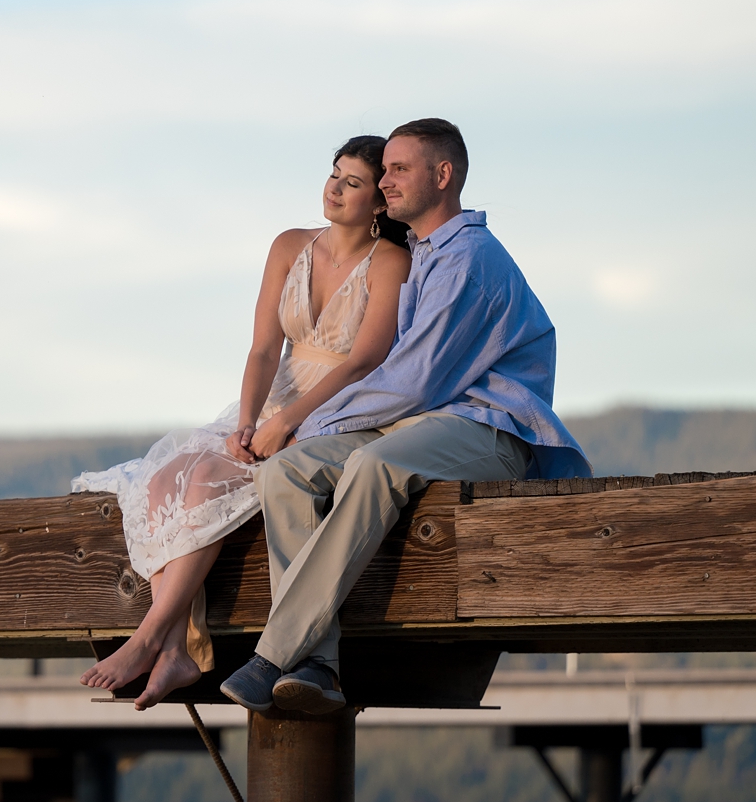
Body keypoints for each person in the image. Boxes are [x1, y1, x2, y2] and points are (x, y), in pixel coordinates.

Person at [218, 118, 592, 716]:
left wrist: (295, 421)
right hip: (423, 424)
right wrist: (290, 438)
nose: (386, 182)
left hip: (488, 427)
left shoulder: (469, 259)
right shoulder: (419, 255)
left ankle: (275, 655)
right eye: (384, 170)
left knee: (372, 464)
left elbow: (413, 380)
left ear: (443, 176)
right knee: (286, 473)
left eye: (399, 169)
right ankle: (320, 666)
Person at [72, 137, 413, 707]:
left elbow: (364, 360)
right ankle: (178, 650)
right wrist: (249, 421)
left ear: (379, 201)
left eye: (352, 183)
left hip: (335, 407)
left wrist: (290, 424)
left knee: (205, 485)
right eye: (333, 175)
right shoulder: (289, 245)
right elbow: (261, 349)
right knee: (164, 481)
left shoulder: (392, 263)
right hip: (272, 398)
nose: (334, 188)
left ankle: (151, 635)